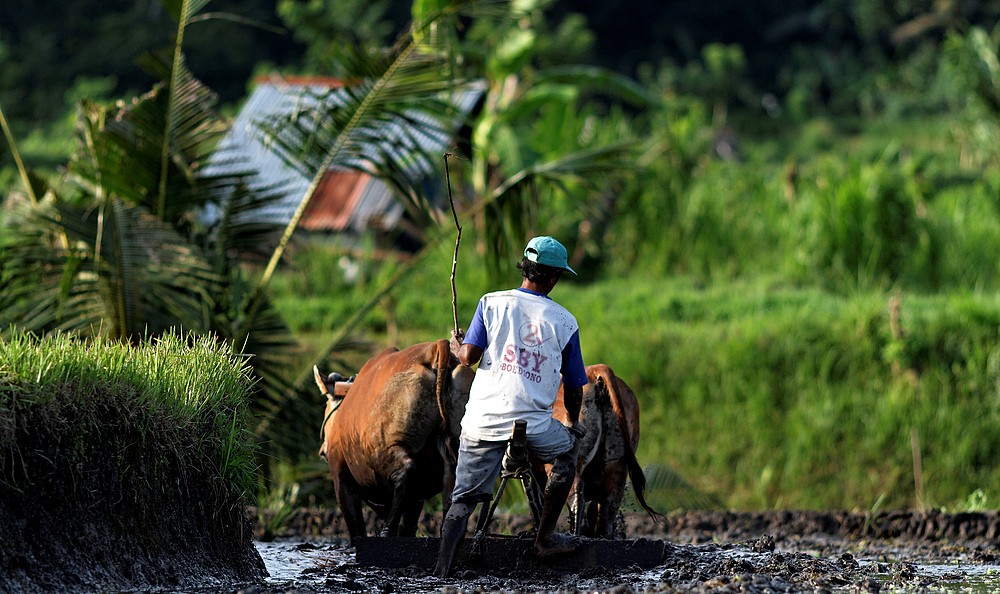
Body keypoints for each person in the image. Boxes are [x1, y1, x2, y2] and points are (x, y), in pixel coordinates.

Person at [434, 236, 588, 578]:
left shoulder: (490, 303)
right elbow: (575, 385)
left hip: (482, 422)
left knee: (463, 499)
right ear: (553, 278)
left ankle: (442, 567)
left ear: (526, 268)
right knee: (567, 455)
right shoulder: (564, 322)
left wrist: (459, 345)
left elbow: (469, 358)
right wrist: (573, 422)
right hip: (535, 428)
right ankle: (544, 538)